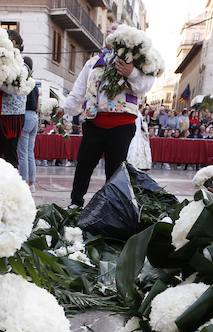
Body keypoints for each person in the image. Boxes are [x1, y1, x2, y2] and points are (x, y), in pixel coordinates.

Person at [60, 27, 156, 207]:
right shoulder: (93, 62)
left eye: (115, 31)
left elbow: (144, 86)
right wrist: (65, 109)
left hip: (122, 126)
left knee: (114, 171)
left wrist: (132, 73)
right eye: (109, 32)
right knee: (84, 166)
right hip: (94, 123)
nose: (110, 34)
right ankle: (76, 202)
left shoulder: (135, 61)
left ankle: (109, 206)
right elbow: (78, 90)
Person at [0, 30, 27, 168]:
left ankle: (12, 185)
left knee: (10, 154)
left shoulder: (21, 66)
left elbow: (16, 90)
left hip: (11, 116)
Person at [17, 57, 40, 189]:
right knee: (30, 152)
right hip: (34, 117)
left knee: (23, 153)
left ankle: (24, 182)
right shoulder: (35, 85)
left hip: (26, 116)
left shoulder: (24, 82)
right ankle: (32, 182)